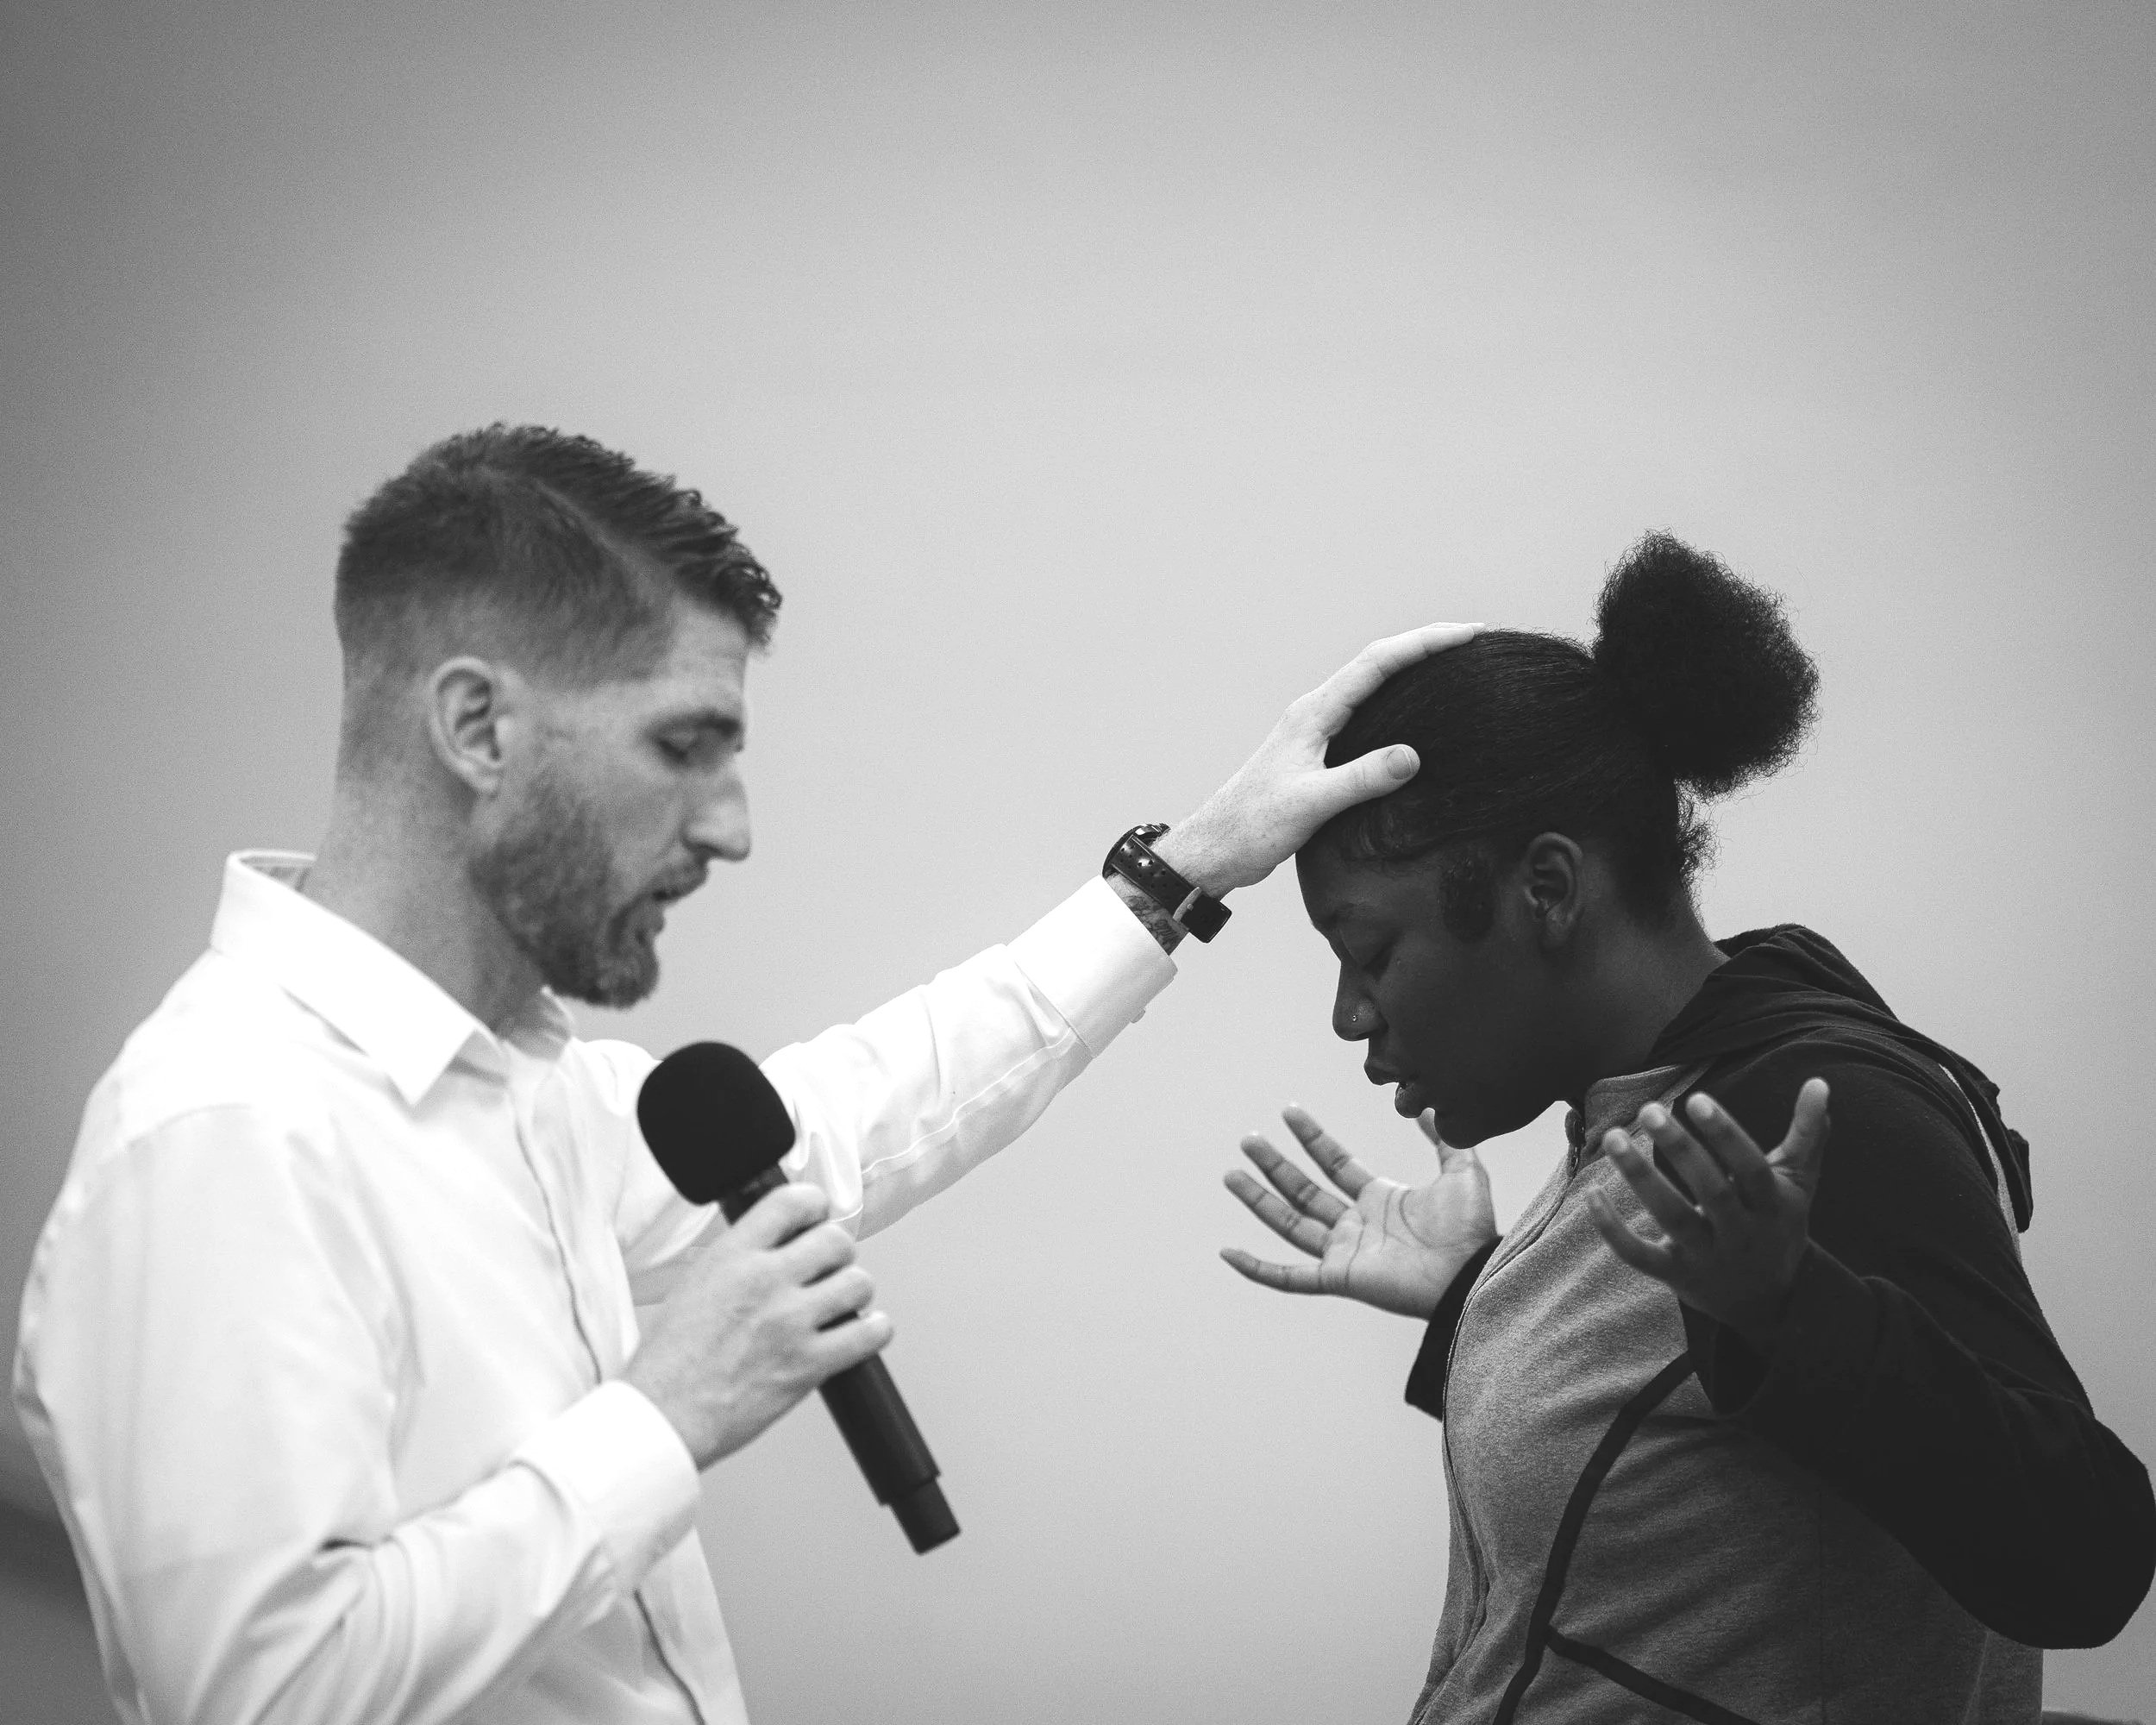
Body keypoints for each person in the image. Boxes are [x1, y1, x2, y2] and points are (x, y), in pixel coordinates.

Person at [11, 423, 1473, 1725]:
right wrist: (664, 1415)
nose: (733, 827)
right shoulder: (224, 1136)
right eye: (683, 745)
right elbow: (262, 1695)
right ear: (476, 727)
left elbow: (850, 1117)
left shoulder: (519, 1091)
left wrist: (1180, 872)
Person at [1220, 534, 2155, 1723]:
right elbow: (1691, 1470)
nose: (1350, 1014)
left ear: (1548, 889)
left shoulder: (1817, 1113)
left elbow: (2087, 1555)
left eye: (1370, 951)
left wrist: (1790, 1312)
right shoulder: (1646, 1107)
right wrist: (1475, 1300)